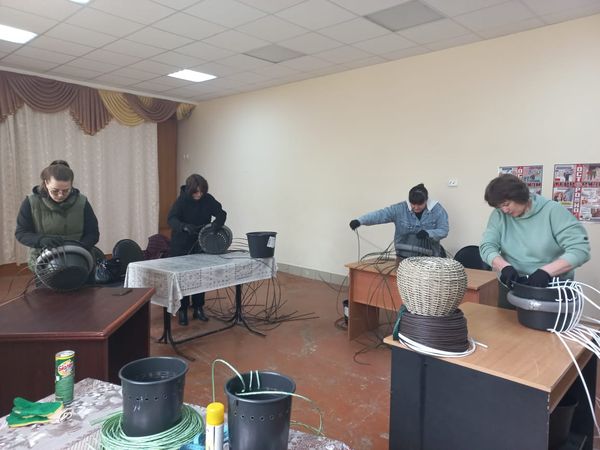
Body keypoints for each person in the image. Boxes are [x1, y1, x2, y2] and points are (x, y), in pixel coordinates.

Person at [480, 174, 590, 306]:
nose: (504, 210)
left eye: (506, 204)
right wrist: (504, 267)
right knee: (505, 319)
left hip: (550, 287)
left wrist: (546, 272)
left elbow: (580, 250)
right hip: (512, 284)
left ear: (520, 196)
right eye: (499, 207)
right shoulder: (499, 215)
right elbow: (487, 246)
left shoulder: (553, 211)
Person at [15, 160, 100, 273]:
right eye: (55, 191)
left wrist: (78, 248)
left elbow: (93, 233)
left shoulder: (82, 202)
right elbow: (21, 233)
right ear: (46, 183)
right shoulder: (31, 202)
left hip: (79, 261)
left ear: (71, 184)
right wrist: (42, 240)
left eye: (66, 191)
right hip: (44, 263)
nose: (60, 195)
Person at [167, 174, 227, 326]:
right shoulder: (182, 200)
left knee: (200, 275)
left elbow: (221, 213)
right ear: (190, 189)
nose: (199, 195)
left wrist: (216, 225)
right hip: (181, 244)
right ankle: (182, 309)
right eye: (196, 192)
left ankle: (198, 307)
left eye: (201, 191)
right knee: (184, 277)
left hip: (201, 242)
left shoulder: (208, 199)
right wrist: (183, 227)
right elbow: (171, 219)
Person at [349, 183, 449, 259]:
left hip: (429, 258)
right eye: (413, 204)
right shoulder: (400, 209)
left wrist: (428, 233)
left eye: (420, 204)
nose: (416, 207)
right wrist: (360, 221)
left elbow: (444, 230)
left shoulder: (437, 210)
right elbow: (380, 214)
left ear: (426, 200)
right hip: (403, 256)